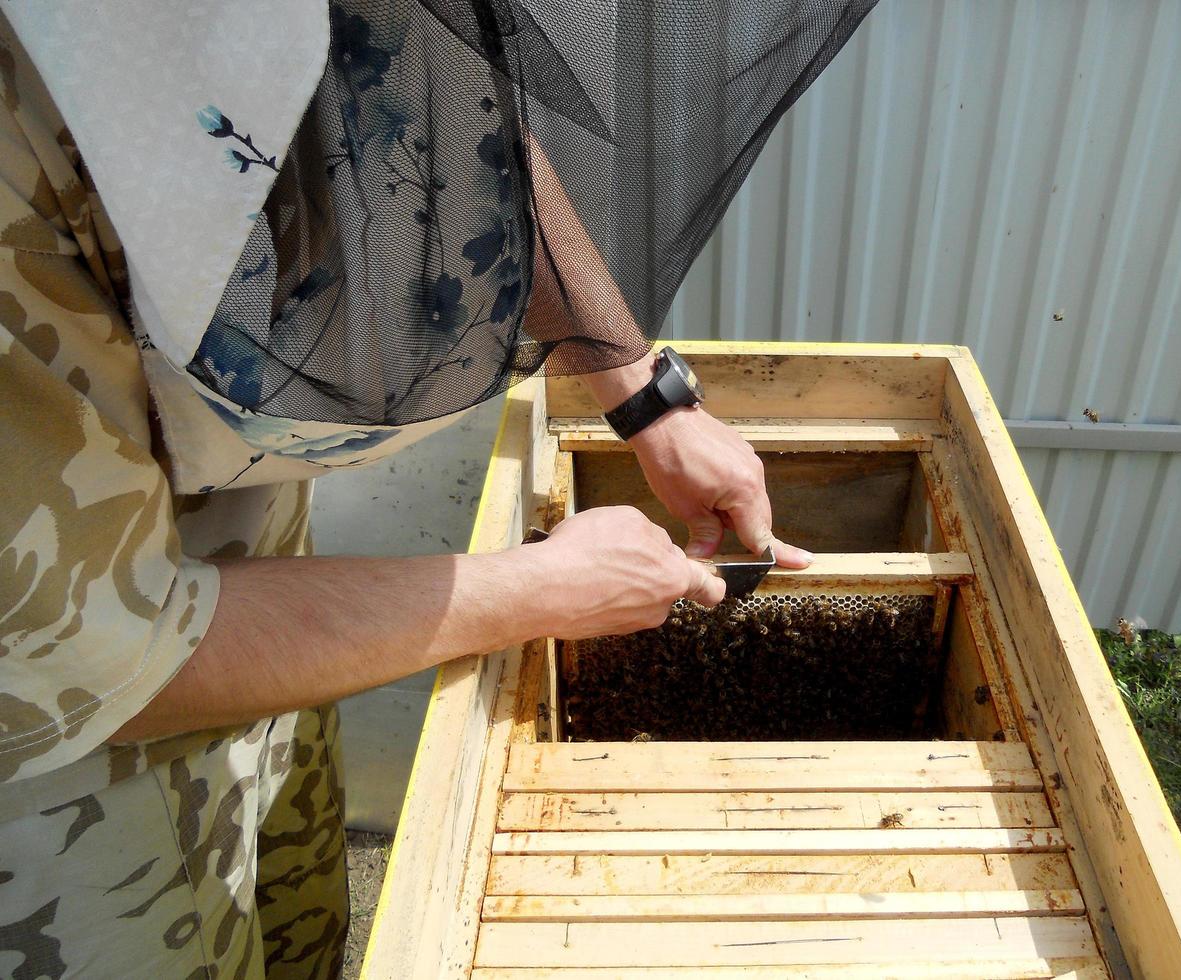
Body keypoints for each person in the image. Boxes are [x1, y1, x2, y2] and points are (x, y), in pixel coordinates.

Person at [0, 1, 873, 976]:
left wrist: (646, 396)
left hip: (248, 560)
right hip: (54, 750)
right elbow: (95, 646)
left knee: (293, 912)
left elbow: (465, 122)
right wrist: (543, 587)